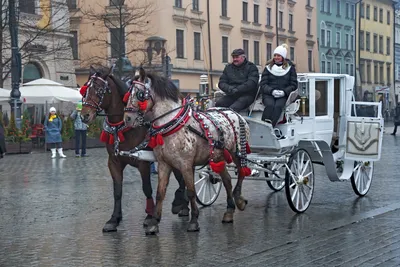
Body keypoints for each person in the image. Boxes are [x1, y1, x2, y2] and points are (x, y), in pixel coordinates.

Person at [259, 44, 298, 126]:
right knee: (270, 105)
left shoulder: (290, 69)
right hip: (269, 94)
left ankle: (271, 126)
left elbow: (294, 84)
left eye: (278, 56)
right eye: (275, 55)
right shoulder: (268, 68)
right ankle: (263, 125)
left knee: (278, 107)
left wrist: (284, 92)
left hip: (283, 95)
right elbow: (263, 83)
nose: (276, 57)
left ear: (283, 57)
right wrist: (271, 91)